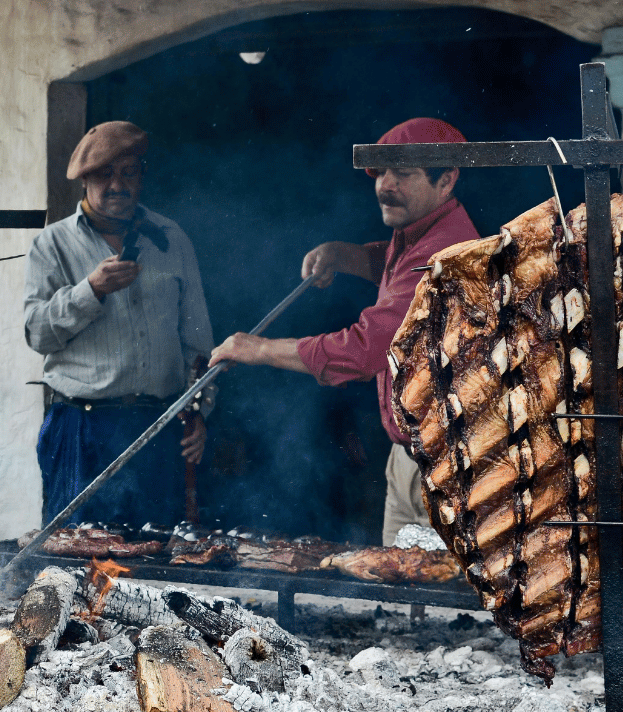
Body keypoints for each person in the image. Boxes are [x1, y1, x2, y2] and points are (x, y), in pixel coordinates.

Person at [209, 117, 479, 545]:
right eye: (379, 172)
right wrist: (345, 256)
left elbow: (367, 349)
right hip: (410, 459)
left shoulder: (442, 253)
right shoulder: (417, 234)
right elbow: (397, 275)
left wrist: (258, 349)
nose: (384, 186)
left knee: (440, 602)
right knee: (401, 599)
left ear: (446, 180)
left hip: (446, 469)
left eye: (403, 174)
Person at [24, 121, 214, 529]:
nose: (117, 185)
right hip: (81, 429)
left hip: (157, 426)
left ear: (141, 176)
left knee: (154, 562)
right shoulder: (52, 245)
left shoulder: (171, 239)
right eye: (104, 174)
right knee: (73, 563)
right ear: (84, 182)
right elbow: (36, 333)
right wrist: (90, 290)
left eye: (128, 172)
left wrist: (199, 411)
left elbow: (198, 344)